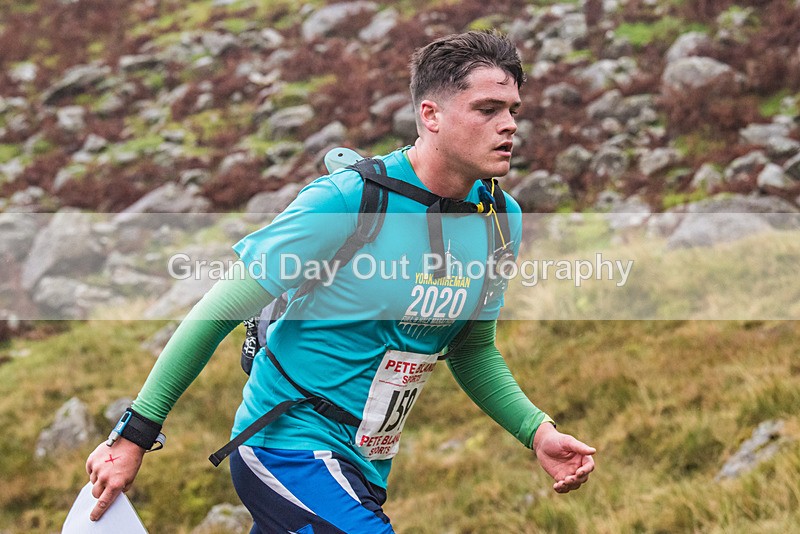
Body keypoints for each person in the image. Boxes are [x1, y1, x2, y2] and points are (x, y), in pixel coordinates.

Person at [86, 30, 595, 532]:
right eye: (487, 110)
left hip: (365, 468)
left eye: (513, 110)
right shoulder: (348, 200)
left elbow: (471, 351)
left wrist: (536, 431)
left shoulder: (501, 220)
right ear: (431, 116)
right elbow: (216, 312)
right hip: (287, 445)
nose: (508, 126)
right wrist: (133, 435)